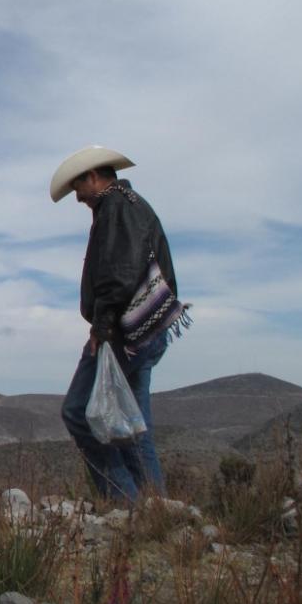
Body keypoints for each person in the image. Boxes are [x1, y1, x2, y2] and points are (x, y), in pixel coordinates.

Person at [50, 146, 190, 502]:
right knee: (133, 425)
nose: (78, 198)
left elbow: (119, 271)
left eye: (78, 188)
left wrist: (102, 327)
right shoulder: (133, 204)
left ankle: (125, 502)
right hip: (146, 331)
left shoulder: (114, 206)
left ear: (93, 177)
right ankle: (154, 510)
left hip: (121, 334)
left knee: (78, 412)